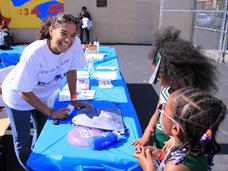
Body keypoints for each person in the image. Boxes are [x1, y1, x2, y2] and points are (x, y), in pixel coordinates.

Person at [2, 13, 91, 170]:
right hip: (18, 98)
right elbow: (24, 91)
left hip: (41, 96)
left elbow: (71, 70)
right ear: (51, 31)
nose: (68, 40)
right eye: (63, 33)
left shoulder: (74, 43)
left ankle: (39, 163)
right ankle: (30, 168)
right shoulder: (34, 53)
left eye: (72, 35)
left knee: (44, 133)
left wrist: (74, 99)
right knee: (22, 141)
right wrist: (50, 112)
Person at [132, 27, 218, 149]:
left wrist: (174, 139)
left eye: (159, 74)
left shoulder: (188, 95)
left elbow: (192, 126)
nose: (157, 79)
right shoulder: (165, 86)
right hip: (159, 136)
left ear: (171, 72)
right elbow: (158, 111)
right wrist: (147, 132)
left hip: (176, 144)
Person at [134, 87, 227, 171]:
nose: (160, 111)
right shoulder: (192, 144)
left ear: (175, 129)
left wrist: (148, 167)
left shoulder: (175, 167)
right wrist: (159, 154)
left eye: (163, 108)